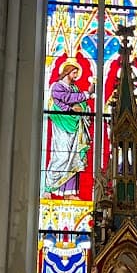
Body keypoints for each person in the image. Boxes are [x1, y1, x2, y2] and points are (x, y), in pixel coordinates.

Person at [42, 55, 91, 197]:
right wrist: (84, 96)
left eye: (77, 72)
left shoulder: (74, 87)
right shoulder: (57, 86)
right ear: (67, 71)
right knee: (61, 156)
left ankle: (69, 192)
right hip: (62, 124)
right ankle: (49, 188)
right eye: (74, 72)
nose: (76, 75)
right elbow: (66, 99)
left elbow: (80, 104)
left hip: (75, 126)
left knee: (73, 157)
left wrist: (83, 104)